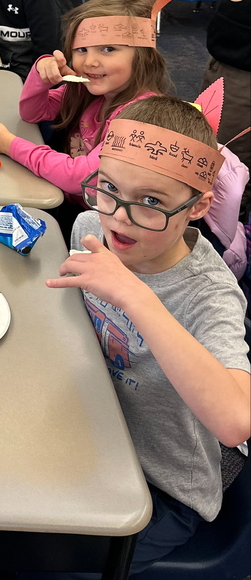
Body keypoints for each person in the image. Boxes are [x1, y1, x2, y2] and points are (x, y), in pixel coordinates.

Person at [49, 96, 250, 573]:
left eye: (152, 202)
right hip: (94, 424)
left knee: (44, 556)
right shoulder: (87, 228)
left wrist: (136, 297)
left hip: (162, 486)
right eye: (109, 189)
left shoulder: (209, 295)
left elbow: (236, 420)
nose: (119, 217)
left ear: (198, 206)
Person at [0, 0, 172, 199]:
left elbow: (80, 177)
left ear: (145, 57)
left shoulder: (142, 121)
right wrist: (41, 74)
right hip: (66, 197)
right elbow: (32, 113)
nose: (89, 62)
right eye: (82, 49)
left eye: (108, 49)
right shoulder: (87, 90)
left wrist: (9, 145)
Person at [201, 0, 251, 217]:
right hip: (225, 63)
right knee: (215, 149)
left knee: (232, 163)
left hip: (241, 77)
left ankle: (232, 226)